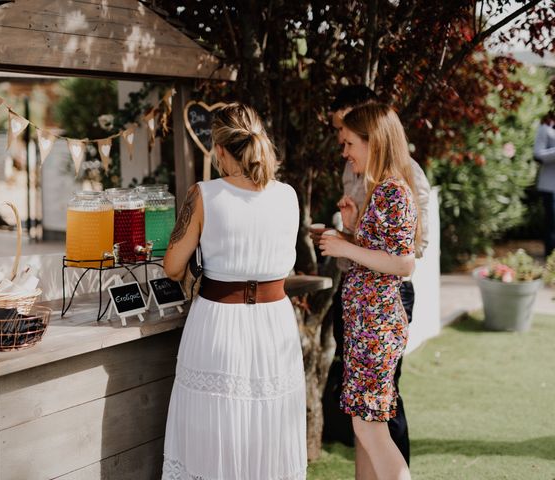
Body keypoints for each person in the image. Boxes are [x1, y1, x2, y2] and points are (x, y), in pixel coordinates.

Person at [161, 103, 307, 480]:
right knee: (269, 428)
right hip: (274, 326)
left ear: (220, 150)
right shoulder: (289, 196)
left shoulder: (203, 194)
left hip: (219, 324)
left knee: (214, 428)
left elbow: (173, 266)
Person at [319, 86, 430, 466]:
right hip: (366, 322)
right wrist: (351, 230)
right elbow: (381, 253)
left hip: (376, 326)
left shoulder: (393, 192)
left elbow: (403, 263)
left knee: (371, 429)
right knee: (364, 426)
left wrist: (346, 248)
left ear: (374, 142)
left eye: (350, 143)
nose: (345, 152)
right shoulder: (381, 190)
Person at [534, 111, 555, 257]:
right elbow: (538, 154)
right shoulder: (545, 129)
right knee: (552, 224)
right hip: (551, 186)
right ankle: (551, 257)